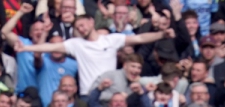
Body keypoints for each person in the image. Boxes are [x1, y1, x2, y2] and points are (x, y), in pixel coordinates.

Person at [15, 14, 175, 97]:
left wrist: (162, 35)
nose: (82, 29)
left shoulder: (112, 39)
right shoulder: (76, 44)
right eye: (78, 27)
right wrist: (25, 49)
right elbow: (50, 47)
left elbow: (139, 38)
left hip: (112, 94)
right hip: (87, 95)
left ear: (91, 22)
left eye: (83, 25)